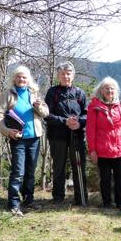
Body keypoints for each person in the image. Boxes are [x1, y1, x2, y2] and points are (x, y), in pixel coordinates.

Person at [0, 65, 49, 216]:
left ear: (28, 79)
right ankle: (13, 204)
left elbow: (45, 113)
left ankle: (28, 201)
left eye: (24, 77)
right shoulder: (8, 94)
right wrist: (6, 131)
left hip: (34, 138)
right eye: (19, 76)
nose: (21, 79)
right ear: (14, 78)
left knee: (30, 171)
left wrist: (39, 106)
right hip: (17, 138)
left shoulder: (34, 93)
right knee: (18, 171)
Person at [87, 77, 121, 211]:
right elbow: (91, 130)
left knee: (120, 177)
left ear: (116, 90)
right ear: (101, 90)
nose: (109, 90)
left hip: (120, 148)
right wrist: (92, 150)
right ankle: (107, 203)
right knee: (105, 178)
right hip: (103, 149)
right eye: (106, 88)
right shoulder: (94, 107)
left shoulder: (120, 105)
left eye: (112, 88)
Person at [45, 61, 88, 205]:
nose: (65, 76)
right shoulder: (52, 92)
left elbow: (87, 114)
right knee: (59, 167)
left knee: (79, 167)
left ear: (73, 75)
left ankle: (81, 198)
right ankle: (58, 198)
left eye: (68, 74)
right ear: (58, 76)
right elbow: (47, 115)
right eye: (62, 74)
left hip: (77, 135)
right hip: (58, 136)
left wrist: (79, 122)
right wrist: (65, 121)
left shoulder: (80, 93)